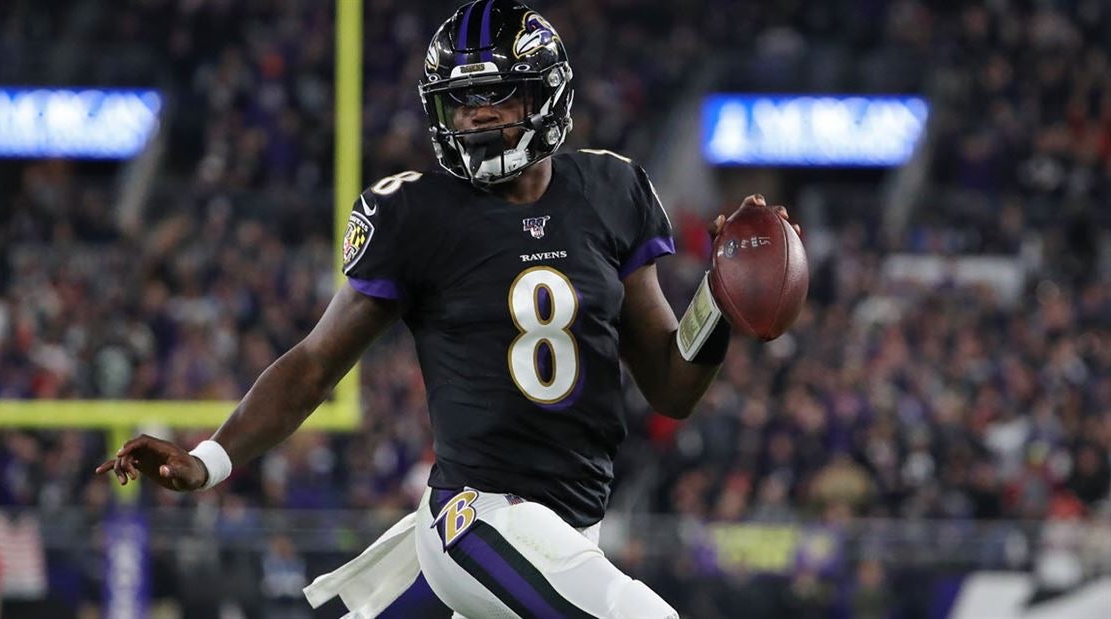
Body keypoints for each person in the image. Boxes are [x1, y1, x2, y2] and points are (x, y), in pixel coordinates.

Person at [97, 1, 801, 616]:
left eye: (494, 97)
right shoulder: (416, 212)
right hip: (475, 517)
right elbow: (314, 364)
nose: (475, 117)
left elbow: (672, 387)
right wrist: (208, 460)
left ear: (544, 97)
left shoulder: (611, 190)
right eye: (461, 102)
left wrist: (716, 295)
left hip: (567, 530)